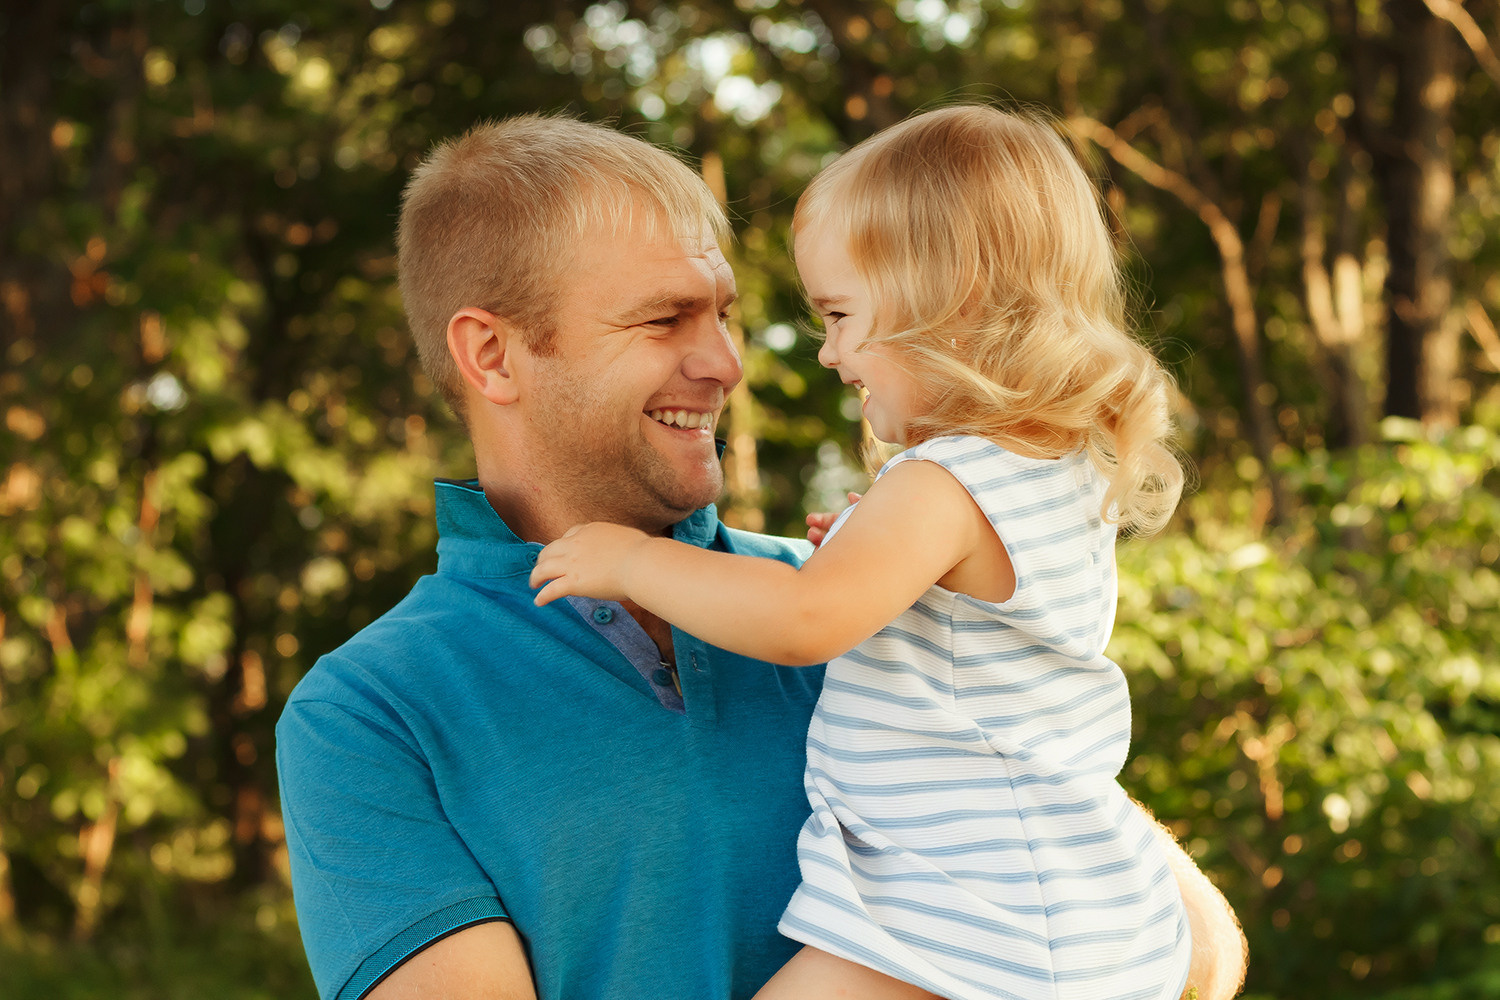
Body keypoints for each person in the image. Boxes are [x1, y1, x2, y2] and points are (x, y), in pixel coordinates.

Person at [277, 112, 1245, 1000]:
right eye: (665, 320)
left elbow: (1200, 943)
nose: (727, 365)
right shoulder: (370, 713)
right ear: (491, 356)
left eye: (725, 313)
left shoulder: (865, 599)